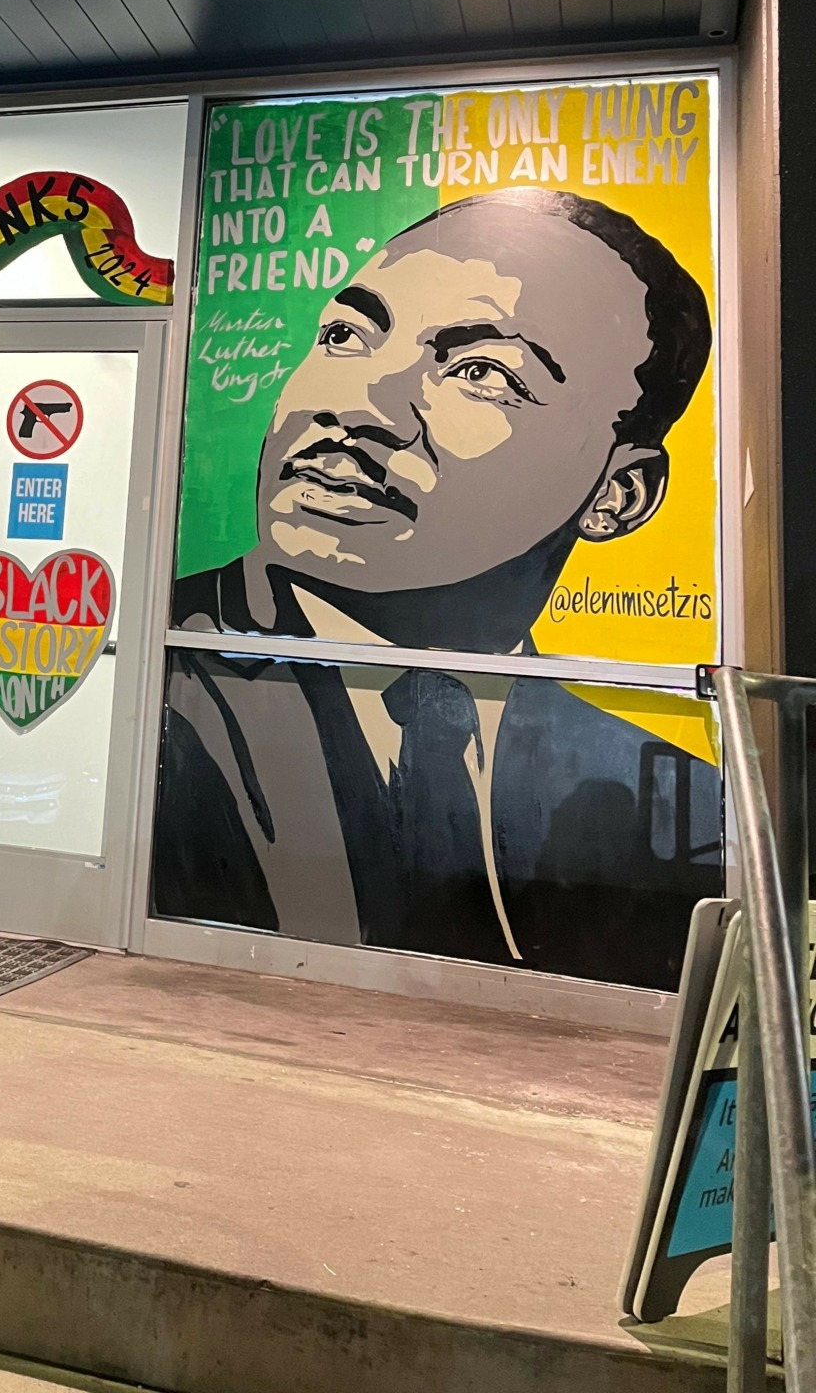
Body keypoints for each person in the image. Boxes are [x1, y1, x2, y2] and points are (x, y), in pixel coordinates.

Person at [155, 188, 722, 988]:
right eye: (346, 336)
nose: (356, 405)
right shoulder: (156, 686)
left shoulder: (669, 802)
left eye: (481, 372)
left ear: (617, 495)